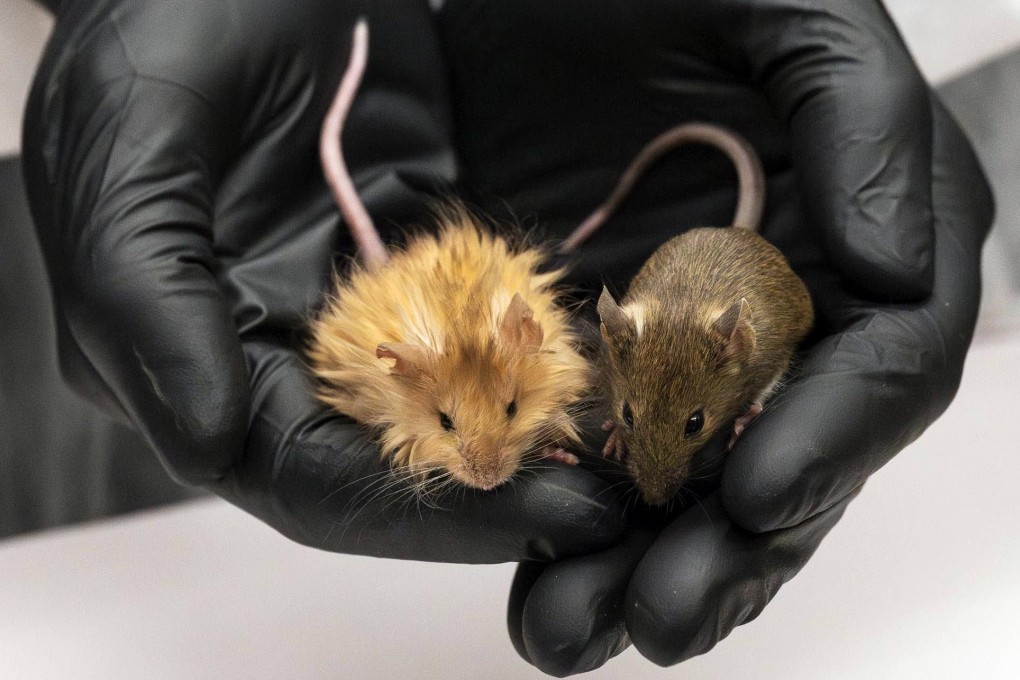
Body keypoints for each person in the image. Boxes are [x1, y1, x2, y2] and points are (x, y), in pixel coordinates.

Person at [21, 0, 992, 674]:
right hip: (173, 190)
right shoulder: (412, 367)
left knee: (887, 236)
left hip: (910, 68)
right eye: (452, 425)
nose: (485, 463)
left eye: (517, 413)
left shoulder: (561, 348)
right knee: (162, 381)